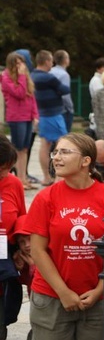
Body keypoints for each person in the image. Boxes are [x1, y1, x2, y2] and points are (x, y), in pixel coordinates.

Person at [26, 133, 104, 340]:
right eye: (55, 152)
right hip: (53, 294)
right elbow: (37, 251)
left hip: (95, 294)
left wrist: (100, 289)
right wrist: (63, 292)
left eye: (64, 152)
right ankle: (37, 336)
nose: (56, 157)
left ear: (86, 161)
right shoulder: (45, 197)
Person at [31, 50, 70, 187]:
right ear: (46, 61)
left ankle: (46, 176)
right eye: (51, 61)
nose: (52, 64)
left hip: (41, 114)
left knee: (44, 145)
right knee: (63, 143)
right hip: (53, 114)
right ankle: (60, 176)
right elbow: (65, 89)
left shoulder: (32, 76)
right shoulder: (48, 78)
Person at [0, 136, 28, 328]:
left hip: (5, 246)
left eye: (8, 167)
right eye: (2, 168)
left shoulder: (13, 183)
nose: (6, 172)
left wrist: (21, 247)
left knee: (11, 281)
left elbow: (21, 218)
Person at [1, 51, 38, 189]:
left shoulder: (26, 78)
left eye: (21, 62)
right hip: (16, 118)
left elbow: (31, 96)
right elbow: (20, 94)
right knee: (17, 148)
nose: (20, 65)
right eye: (17, 63)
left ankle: (23, 178)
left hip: (27, 116)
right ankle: (17, 179)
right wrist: (22, 76)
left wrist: (35, 115)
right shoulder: (6, 78)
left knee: (24, 149)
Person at [50, 50, 74, 133]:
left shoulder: (50, 71)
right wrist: (70, 108)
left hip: (51, 107)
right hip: (63, 109)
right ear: (65, 60)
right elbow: (65, 95)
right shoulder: (64, 75)